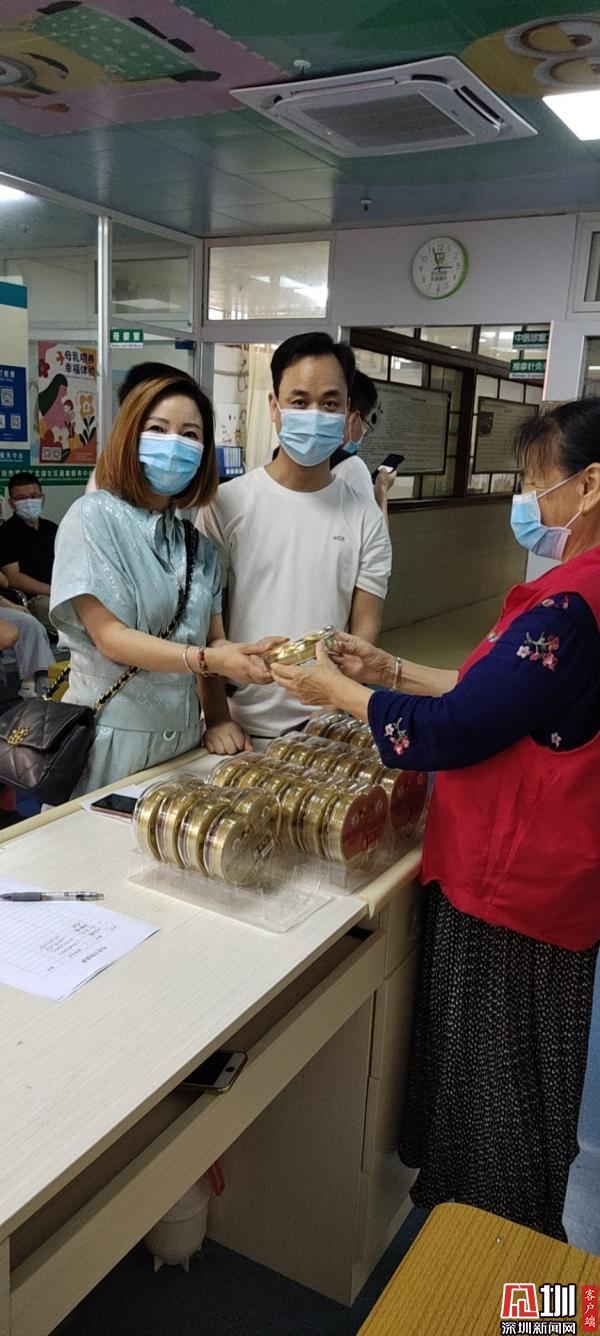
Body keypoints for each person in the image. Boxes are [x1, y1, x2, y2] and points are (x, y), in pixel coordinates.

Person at [269, 397, 600, 1242]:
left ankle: (514, 1282)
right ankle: (502, 1265)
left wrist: (338, 691)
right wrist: (391, 670)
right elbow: (498, 695)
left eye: (535, 482)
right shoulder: (576, 596)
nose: (525, 500)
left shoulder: (571, 607)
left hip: (512, 890)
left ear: (590, 485)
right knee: (511, 1095)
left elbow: (459, 728)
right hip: (548, 878)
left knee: (501, 1105)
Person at [50, 374, 278, 795]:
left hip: (184, 744)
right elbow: (111, 638)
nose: (174, 444)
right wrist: (210, 658)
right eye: (157, 429)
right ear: (129, 435)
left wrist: (222, 706)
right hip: (108, 743)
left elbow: (213, 639)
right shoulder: (91, 517)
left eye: (190, 434)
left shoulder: (199, 547)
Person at [196, 332, 392, 752]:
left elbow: (364, 628)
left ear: (347, 413)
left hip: (327, 729)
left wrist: (336, 705)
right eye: (299, 402)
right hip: (238, 730)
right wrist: (218, 717)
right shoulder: (226, 505)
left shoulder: (365, 516)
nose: (315, 415)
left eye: (330, 403)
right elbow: (205, 625)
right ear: (274, 406)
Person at [331, 370, 398, 524]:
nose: (364, 432)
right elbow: (378, 536)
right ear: (354, 419)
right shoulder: (352, 468)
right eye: (365, 425)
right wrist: (381, 489)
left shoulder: (292, 459)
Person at [0, 472, 57, 632]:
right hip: (33, 599)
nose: (28, 502)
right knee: (68, 613)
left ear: (42, 498)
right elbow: (14, 578)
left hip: (61, 591)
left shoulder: (52, 529)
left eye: (33, 496)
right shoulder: (5, 533)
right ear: (11, 503)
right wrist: (53, 591)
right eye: (21, 498)